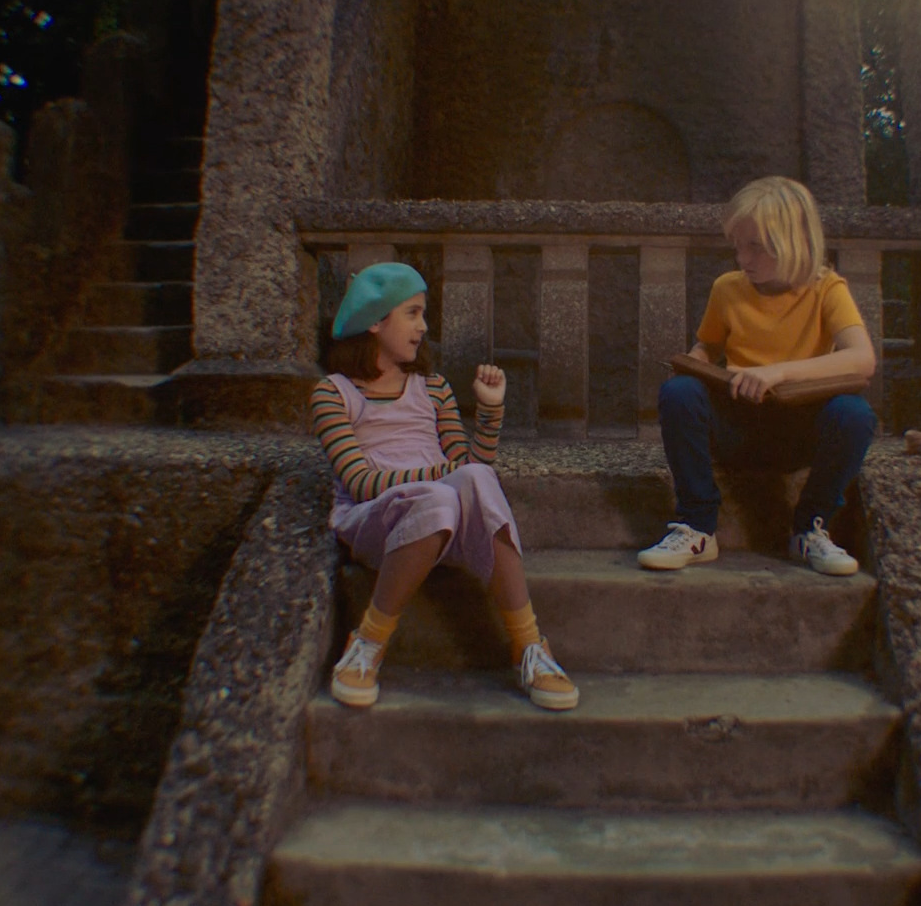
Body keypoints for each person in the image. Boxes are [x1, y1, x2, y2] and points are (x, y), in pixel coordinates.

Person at [311, 262, 578, 711]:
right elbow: (360, 482)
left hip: (446, 519)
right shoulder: (333, 393)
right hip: (377, 521)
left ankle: (529, 645)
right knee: (440, 495)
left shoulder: (433, 388)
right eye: (412, 313)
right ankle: (368, 642)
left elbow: (475, 470)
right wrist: (439, 476)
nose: (423, 327)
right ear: (375, 321)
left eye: (424, 315)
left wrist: (489, 412)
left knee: (471, 480)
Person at [637, 176, 879, 577]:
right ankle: (697, 527)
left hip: (799, 429)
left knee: (854, 414)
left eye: (755, 247)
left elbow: (863, 358)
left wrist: (777, 372)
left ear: (794, 242)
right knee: (680, 392)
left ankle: (810, 528)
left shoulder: (827, 289)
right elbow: (706, 347)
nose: (742, 258)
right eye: (737, 246)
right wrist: (695, 363)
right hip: (738, 427)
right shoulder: (727, 288)